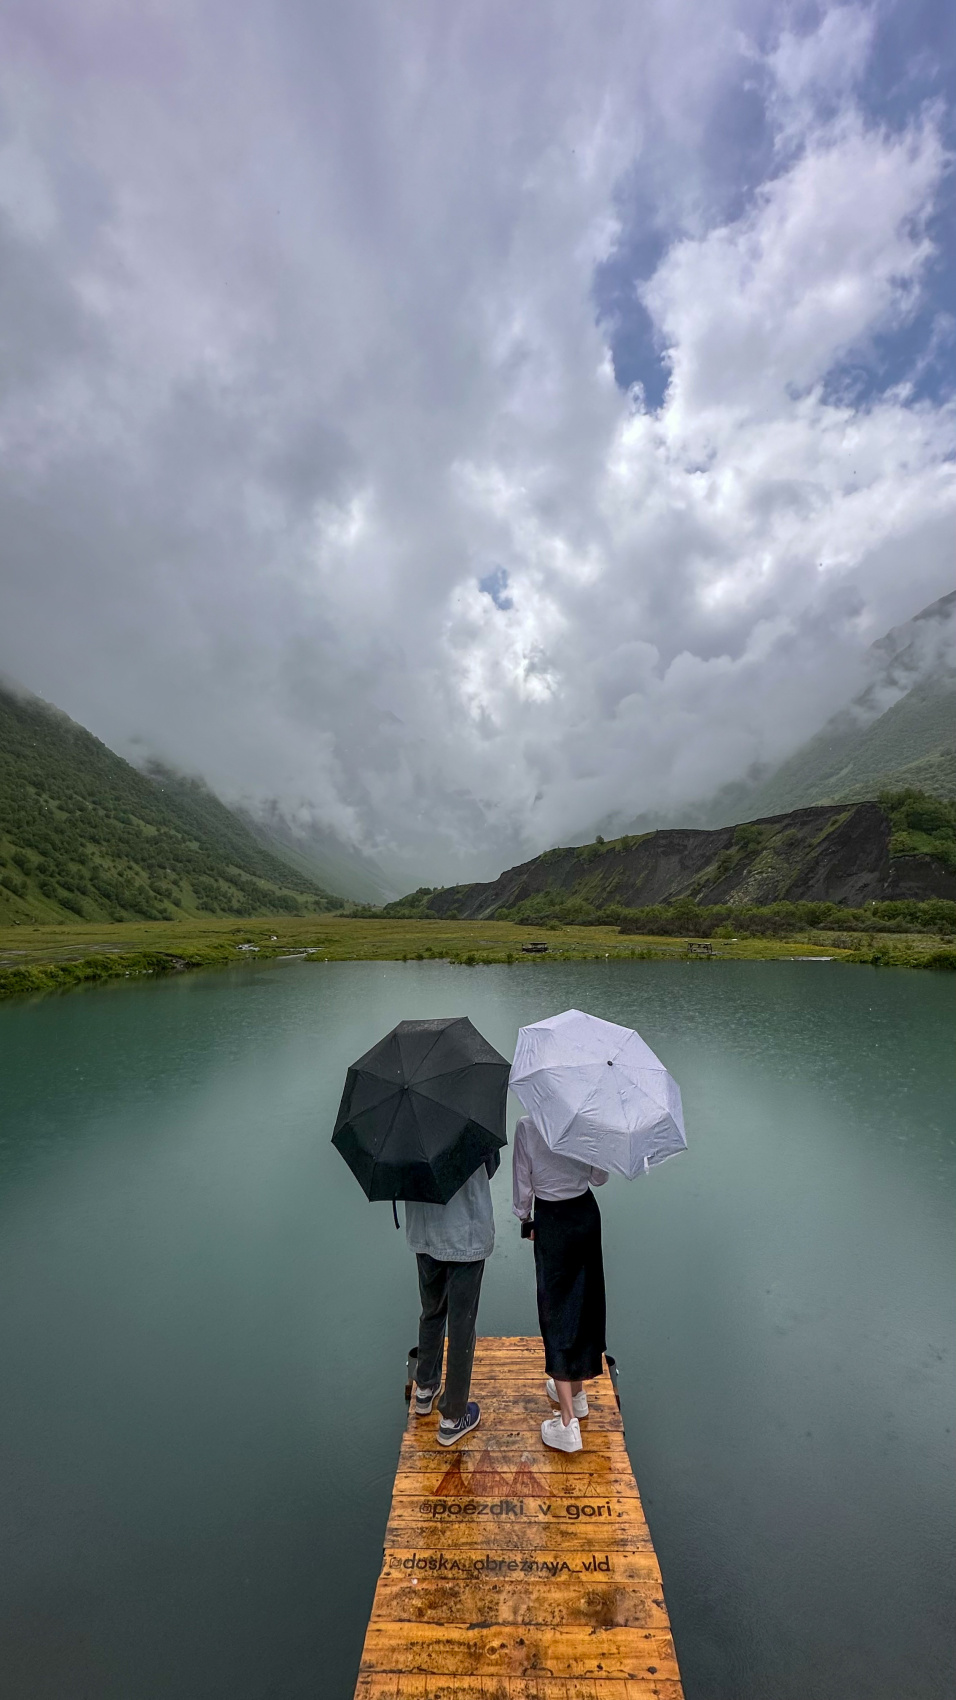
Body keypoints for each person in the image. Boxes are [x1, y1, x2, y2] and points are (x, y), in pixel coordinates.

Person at [513, 1113, 608, 1453]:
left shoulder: (528, 1125)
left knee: (555, 1308)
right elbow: (599, 1177)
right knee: (583, 1302)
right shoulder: (589, 1121)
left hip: (552, 1219)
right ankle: (577, 1393)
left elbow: (523, 1184)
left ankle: (567, 1423)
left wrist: (526, 1220)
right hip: (585, 1216)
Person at [405, 1150, 500, 1446]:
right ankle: (453, 1417)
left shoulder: (408, 1119)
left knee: (431, 1310)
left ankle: (425, 1389)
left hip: (425, 1231)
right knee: (461, 1326)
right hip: (465, 1235)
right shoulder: (472, 1115)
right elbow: (491, 1166)